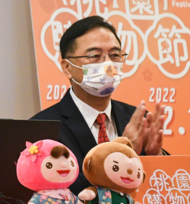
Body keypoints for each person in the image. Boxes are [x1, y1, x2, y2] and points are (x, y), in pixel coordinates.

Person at [31, 15, 166, 194]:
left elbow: (162, 187)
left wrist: (156, 158)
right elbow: (53, 193)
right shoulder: (43, 128)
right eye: (94, 56)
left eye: (115, 55)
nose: (108, 64)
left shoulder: (136, 120)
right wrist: (120, 154)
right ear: (67, 67)